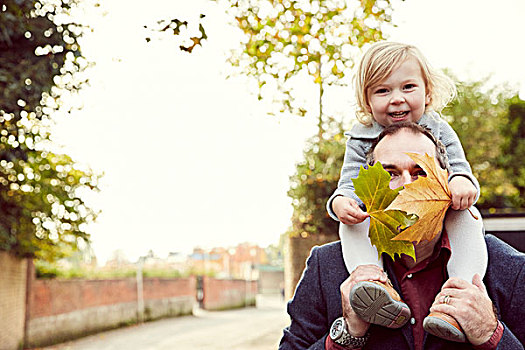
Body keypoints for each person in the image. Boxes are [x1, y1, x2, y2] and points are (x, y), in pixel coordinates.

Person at [279, 122, 525, 350]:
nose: (407, 185)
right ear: (368, 191)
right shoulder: (326, 266)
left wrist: (490, 333)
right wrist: (348, 333)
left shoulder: (510, 270)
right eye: (390, 173)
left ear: (447, 182)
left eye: (421, 171)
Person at [325, 42, 487, 338]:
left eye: (408, 87)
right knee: (352, 225)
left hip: (440, 208)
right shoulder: (361, 137)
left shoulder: (438, 128)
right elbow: (349, 181)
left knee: (468, 219)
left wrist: (461, 181)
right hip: (383, 215)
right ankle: (373, 283)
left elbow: (460, 167)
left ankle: (458, 296)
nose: (397, 99)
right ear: (367, 101)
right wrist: (341, 203)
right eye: (383, 91)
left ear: (427, 93)